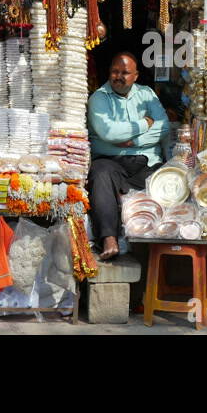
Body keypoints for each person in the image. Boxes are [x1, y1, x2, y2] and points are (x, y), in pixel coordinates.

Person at [87, 52, 169, 260]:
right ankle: (109, 238)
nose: (119, 76)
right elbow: (109, 133)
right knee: (100, 174)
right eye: (115, 71)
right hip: (111, 162)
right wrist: (144, 124)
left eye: (125, 72)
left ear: (136, 76)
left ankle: (161, 243)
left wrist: (135, 141)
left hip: (146, 161)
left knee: (168, 179)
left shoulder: (147, 94)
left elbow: (164, 127)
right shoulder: (99, 98)